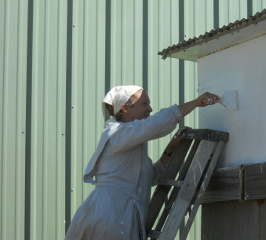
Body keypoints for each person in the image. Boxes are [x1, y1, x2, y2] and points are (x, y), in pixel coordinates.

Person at [65, 85, 220, 240]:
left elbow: (151, 177)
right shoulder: (117, 133)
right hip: (110, 215)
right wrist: (195, 103)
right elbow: (157, 124)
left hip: (115, 214)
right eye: (144, 104)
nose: (150, 109)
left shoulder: (129, 141)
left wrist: (170, 149)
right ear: (125, 108)